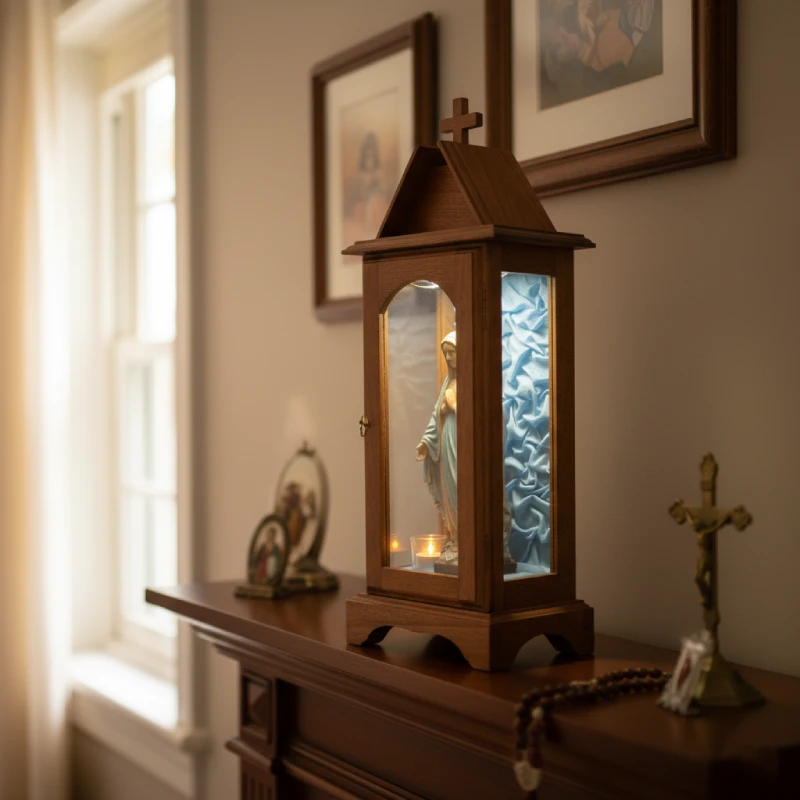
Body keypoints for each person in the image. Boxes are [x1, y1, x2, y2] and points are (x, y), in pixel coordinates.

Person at [416, 332, 458, 549]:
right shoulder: (448, 382)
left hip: (463, 442)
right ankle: (457, 537)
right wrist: (426, 441)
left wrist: (452, 405)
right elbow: (436, 415)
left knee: (461, 486)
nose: (449, 358)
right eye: (446, 354)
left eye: (452, 353)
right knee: (450, 488)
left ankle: (466, 538)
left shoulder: (472, 381)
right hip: (447, 440)